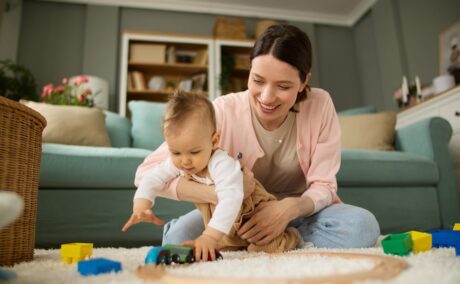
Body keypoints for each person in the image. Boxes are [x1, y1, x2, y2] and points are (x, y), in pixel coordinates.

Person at [135, 24, 380, 249]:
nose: (266, 97)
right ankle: (261, 238)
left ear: (304, 81)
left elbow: (324, 185)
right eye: (258, 80)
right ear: (250, 70)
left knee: (362, 227)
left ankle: (278, 236)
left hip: (299, 210)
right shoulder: (222, 110)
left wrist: (287, 209)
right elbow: (145, 173)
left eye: (283, 86)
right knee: (177, 239)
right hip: (235, 208)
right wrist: (220, 193)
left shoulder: (320, 104)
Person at [123, 90, 302, 261]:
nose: (185, 162)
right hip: (225, 223)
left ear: (214, 141)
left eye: (194, 152)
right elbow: (152, 178)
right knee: (208, 249)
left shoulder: (221, 163)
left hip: (251, 214)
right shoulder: (179, 161)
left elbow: (230, 199)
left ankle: (292, 235)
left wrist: (209, 236)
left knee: (266, 248)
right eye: (176, 153)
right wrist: (141, 205)